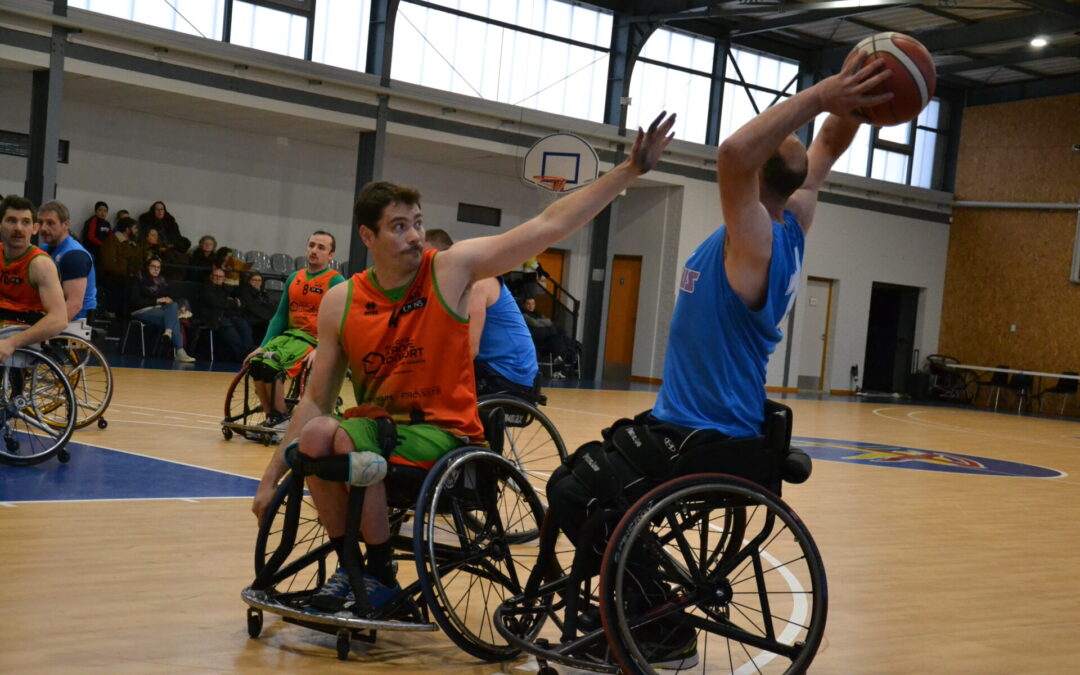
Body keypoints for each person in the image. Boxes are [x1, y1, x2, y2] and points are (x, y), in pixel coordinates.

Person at [544, 53, 893, 665]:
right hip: (699, 423)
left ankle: (663, 629)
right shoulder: (793, 217)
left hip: (702, 433)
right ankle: (626, 610)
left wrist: (818, 94)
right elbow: (826, 152)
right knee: (583, 481)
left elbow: (733, 153)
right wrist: (860, 90)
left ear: (760, 176)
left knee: (576, 495)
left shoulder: (754, 237)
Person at [250, 112, 675, 613]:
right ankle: (354, 567)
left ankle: (379, 570)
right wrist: (270, 476)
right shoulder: (342, 301)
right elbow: (316, 400)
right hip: (377, 430)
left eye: (418, 224)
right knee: (318, 434)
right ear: (368, 237)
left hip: (446, 434)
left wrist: (628, 171)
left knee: (337, 436)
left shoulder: (450, 271)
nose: (414, 236)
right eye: (399, 227)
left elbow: (547, 224)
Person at [423, 228, 538, 399]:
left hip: (510, 373)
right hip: (490, 367)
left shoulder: (477, 284)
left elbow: (470, 349)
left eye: (428, 259)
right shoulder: (447, 288)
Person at [244, 232, 343, 427]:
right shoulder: (293, 278)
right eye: (312, 245)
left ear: (331, 255)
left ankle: (281, 418)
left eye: (321, 248)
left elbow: (339, 321)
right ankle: (271, 417)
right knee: (256, 363)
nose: (314, 251)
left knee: (271, 367)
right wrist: (262, 346)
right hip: (290, 337)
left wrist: (321, 349)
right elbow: (280, 316)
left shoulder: (336, 282)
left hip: (312, 340)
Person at [0, 195, 69, 360]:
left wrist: (12, 342)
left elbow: (59, 319)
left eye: (25, 222)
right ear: (1, 225)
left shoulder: (40, 264)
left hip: (21, 330)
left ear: (35, 228)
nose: (18, 228)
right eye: (11, 220)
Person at [37, 200, 98, 322]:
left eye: (50, 223)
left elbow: (74, 305)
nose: (43, 228)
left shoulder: (74, 256)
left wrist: (42, 331)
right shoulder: (44, 248)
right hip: (51, 313)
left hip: (74, 322)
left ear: (66, 224)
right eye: (40, 222)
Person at [129, 258, 195, 363]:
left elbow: (169, 297)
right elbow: (135, 300)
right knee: (175, 320)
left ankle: (168, 332)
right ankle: (180, 351)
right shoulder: (138, 279)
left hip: (160, 310)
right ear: (147, 267)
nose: (156, 269)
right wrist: (157, 300)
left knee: (173, 305)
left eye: (158, 267)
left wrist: (169, 300)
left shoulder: (162, 281)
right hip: (142, 310)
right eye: (153, 266)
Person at [199, 267, 252, 362]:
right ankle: (243, 359)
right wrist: (234, 303)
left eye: (220, 276)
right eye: (215, 276)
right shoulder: (205, 288)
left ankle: (248, 355)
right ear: (211, 277)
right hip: (215, 318)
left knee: (244, 325)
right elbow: (217, 303)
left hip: (230, 315)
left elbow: (242, 302)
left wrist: (229, 304)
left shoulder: (227, 289)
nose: (218, 278)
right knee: (232, 334)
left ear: (224, 278)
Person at [237, 272, 276, 350]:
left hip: (261, 317)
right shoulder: (244, 290)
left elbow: (269, 306)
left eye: (259, 281)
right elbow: (253, 307)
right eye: (254, 280)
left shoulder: (263, 292)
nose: (257, 282)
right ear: (249, 281)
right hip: (248, 317)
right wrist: (268, 317)